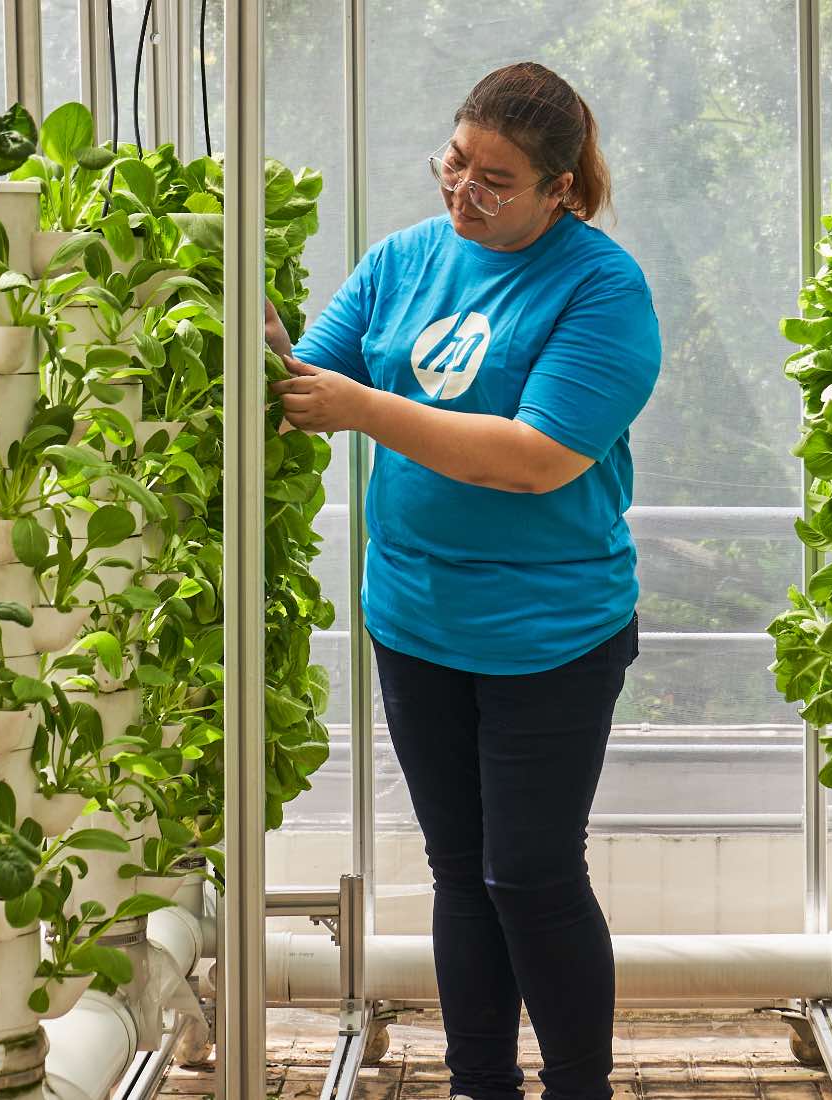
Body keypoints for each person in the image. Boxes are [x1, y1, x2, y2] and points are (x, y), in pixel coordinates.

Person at [270, 60, 660, 1100]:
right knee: (459, 870)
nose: (461, 193)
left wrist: (362, 406)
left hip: (550, 633)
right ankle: (478, 1083)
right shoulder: (403, 259)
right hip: (415, 618)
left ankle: (580, 1086)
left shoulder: (602, 288)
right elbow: (312, 379)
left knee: (530, 872)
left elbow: (533, 459)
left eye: (494, 180)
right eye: (454, 163)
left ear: (560, 190)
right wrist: (263, 349)